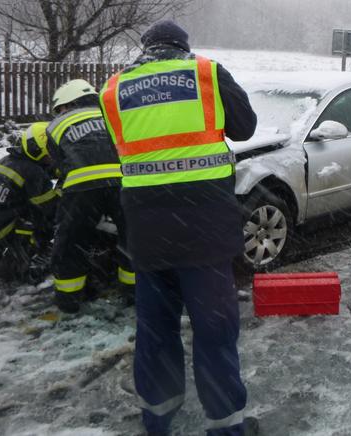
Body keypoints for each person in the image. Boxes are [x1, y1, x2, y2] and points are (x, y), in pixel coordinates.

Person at [98, 20, 258, 436]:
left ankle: (158, 418)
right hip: (204, 231)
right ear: (182, 46)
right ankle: (225, 427)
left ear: (145, 48)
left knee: (155, 331)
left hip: (147, 235)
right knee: (214, 331)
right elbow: (245, 127)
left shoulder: (113, 88)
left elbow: (119, 148)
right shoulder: (206, 73)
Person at [45, 79, 135, 313]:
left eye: (60, 108)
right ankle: (133, 290)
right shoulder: (114, 116)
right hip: (123, 183)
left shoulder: (55, 125)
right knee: (132, 237)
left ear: (67, 102)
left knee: (70, 241)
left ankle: (69, 298)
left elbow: (60, 165)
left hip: (80, 190)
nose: (61, 112)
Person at [0, 122, 58, 283]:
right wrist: (64, 192)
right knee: (39, 222)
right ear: (35, 150)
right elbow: (52, 208)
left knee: (12, 213)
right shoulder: (33, 172)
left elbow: (37, 172)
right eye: (48, 155)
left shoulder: (8, 160)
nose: (51, 159)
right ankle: (9, 270)